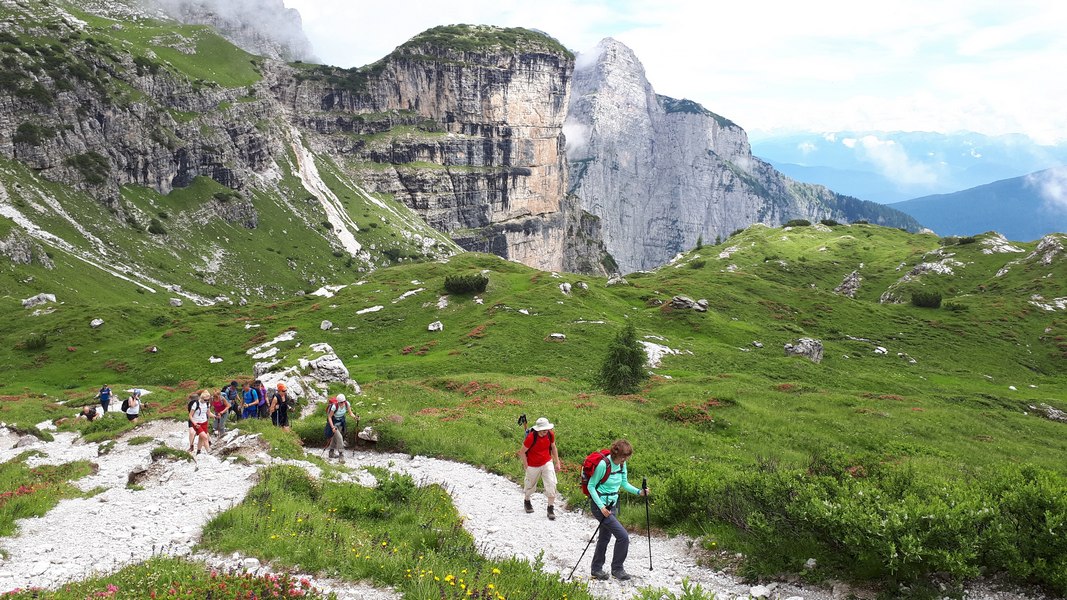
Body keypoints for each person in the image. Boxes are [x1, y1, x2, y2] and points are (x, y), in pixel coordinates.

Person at [587, 439, 649, 582]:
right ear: (617, 454)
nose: (625, 460)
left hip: (612, 505)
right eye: (624, 457)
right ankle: (617, 569)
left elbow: (624, 483)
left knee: (604, 537)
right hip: (599, 505)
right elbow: (591, 486)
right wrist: (601, 507)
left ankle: (596, 569)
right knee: (623, 536)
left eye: (627, 457)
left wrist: (639, 492)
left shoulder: (622, 464)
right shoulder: (604, 465)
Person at [520, 417, 561, 520]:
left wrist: (557, 462)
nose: (545, 432)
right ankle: (527, 500)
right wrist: (526, 466)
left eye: (546, 430)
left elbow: (553, 447)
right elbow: (522, 452)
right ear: (538, 429)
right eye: (543, 430)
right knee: (530, 485)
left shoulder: (550, 434)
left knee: (551, 484)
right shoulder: (531, 437)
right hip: (533, 465)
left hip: (547, 462)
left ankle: (550, 508)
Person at [326, 394, 352, 462]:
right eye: (341, 402)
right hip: (334, 424)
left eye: (344, 401)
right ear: (338, 402)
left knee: (335, 437)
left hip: (341, 423)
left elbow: (350, 413)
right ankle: (341, 454)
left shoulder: (347, 404)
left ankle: (331, 453)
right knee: (340, 437)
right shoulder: (334, 406)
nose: (343, 403)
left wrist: (355, 417)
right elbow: (329, 417)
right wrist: (332, 427)